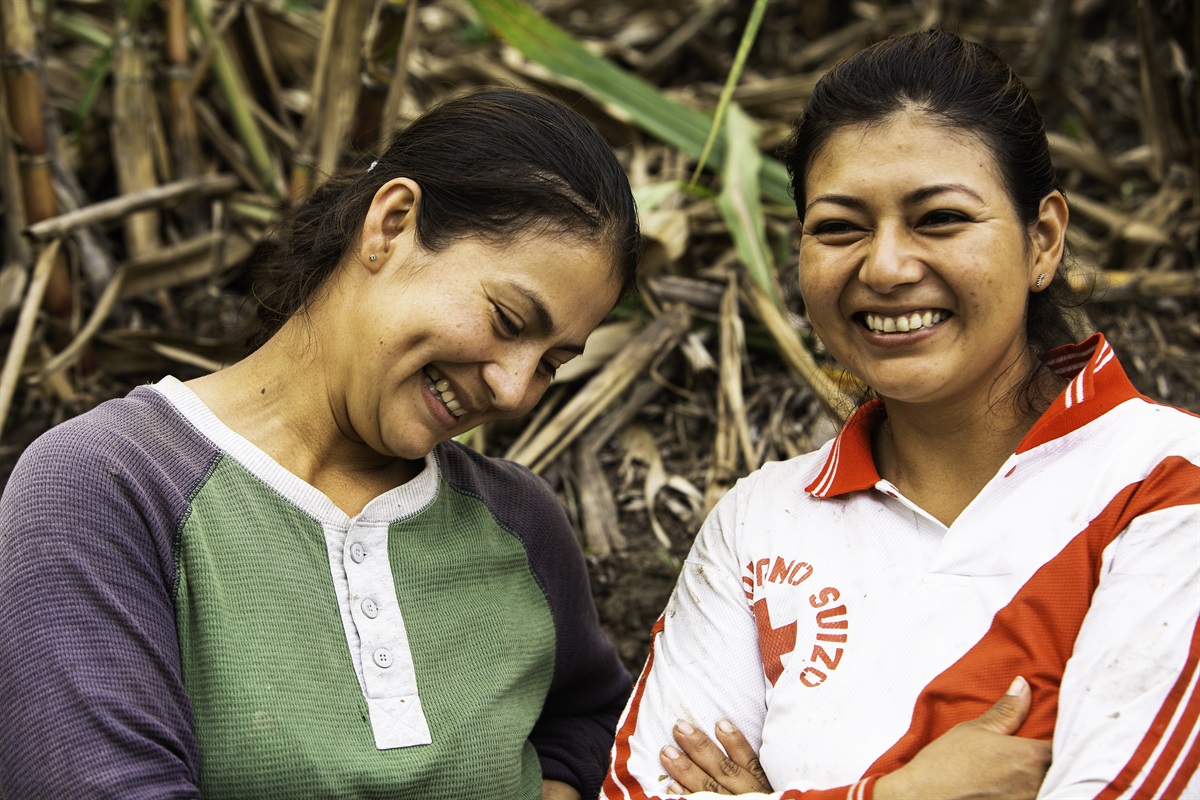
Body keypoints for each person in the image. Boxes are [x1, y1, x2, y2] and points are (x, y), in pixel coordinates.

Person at [604, 29, 1199, 800]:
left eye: (940, 218)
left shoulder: (1163, 483)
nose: (885, 267)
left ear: (1043, 241)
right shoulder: (759, 522)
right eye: (839, 227)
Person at [0, 88, 639, 800]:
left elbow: (595, 719)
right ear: (391, 225)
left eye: (552, 363)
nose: (515, 390)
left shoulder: (520, 525)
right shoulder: (109, 489)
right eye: (509, 320)